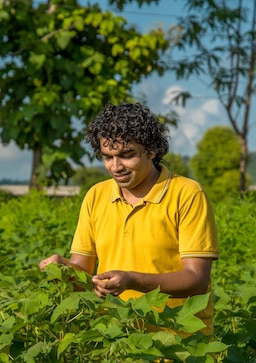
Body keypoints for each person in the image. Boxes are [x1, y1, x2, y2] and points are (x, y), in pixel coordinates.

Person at [39, 102, 219, 335]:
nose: (116, 166)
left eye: (127, 155)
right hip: (119, 342)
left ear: (152, 150)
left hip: (179, 348)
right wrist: (64, 271)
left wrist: (132, 280)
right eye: (107, 157)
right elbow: (83, 273)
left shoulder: (186, 194)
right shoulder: (97, 195)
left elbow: (196, 279)